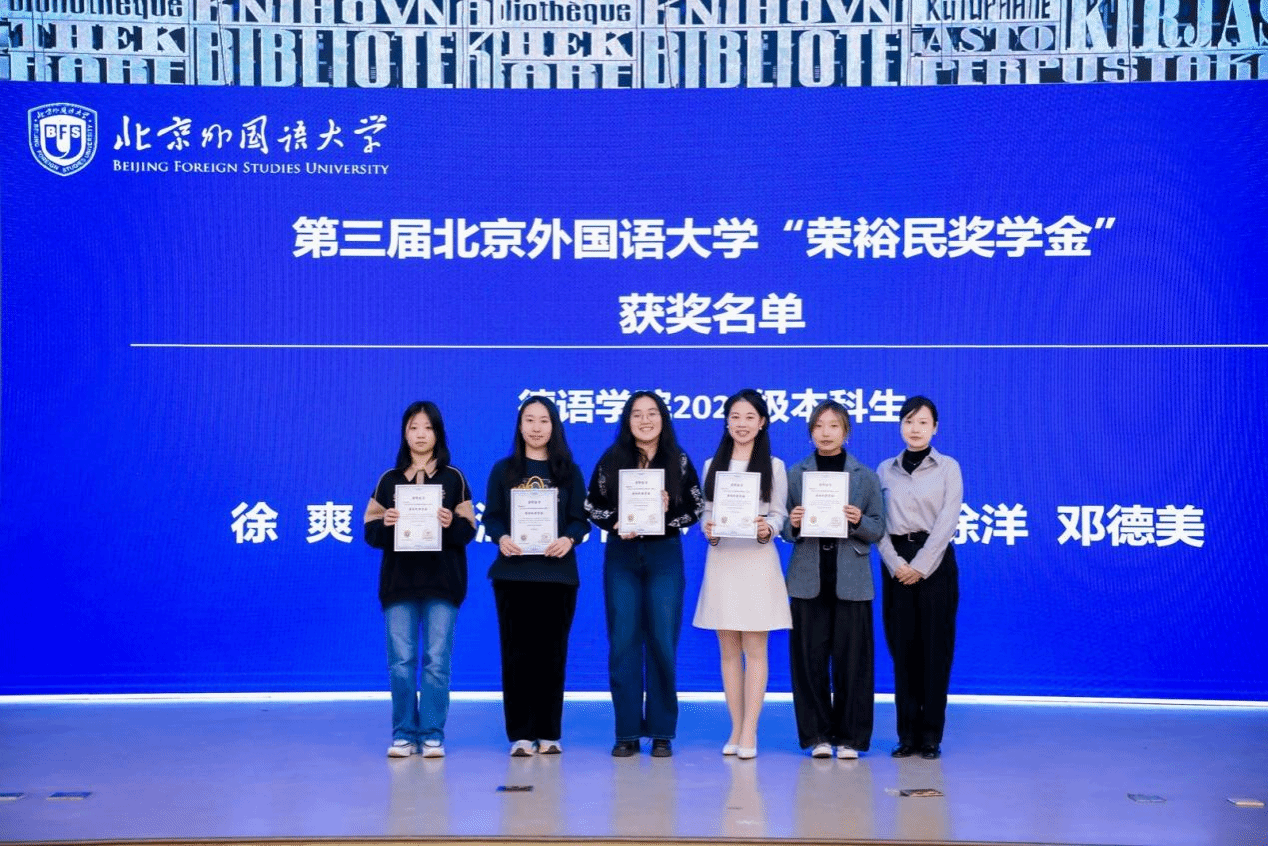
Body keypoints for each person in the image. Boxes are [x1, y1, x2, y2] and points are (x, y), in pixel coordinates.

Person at [585, 391, 704, 758]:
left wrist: (668, 512)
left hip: (664, 554)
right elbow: (592, 504)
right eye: (637, 414)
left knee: (662, 641)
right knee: (623, 641)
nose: (645, 420)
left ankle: (662, 731)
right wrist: (616, 520)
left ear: (663, 419)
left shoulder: (678, 460)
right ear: (627, 420)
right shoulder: (612, 458)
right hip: (622, 556)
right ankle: (626, 732)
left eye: (652, 413)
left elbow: (696, 507)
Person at [364, 401, 477, 759]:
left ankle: (431, 733)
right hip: (399, 583)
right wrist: (387, 524)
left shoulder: (454, 478)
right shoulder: (389, 480)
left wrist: (450, 523)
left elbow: (469, 530)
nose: (421, 434)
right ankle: (403, 733)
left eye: (428, 427)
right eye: (414, 427)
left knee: (436, 661)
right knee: (400, 662)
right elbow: (370, 532)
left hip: (442, 582)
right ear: (404, 433)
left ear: (438, 433)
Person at [483, 395, 589, 757]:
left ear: (554, 426)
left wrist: (568, 538)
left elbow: (580, 520)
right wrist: (502, 537)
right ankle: (520, 735)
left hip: (557, 576)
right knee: (516, 655)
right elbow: (492, 517)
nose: (536, 427)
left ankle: (549, 732)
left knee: (552, 655)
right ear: (520, 426)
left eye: (544, 420)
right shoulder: (503, 470)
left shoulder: (569, 471)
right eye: (529, 420)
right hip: (513, 575)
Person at [783, 400, 885, 759]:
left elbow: (878, 528)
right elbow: (783, 527)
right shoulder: (796, 474)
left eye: (833, 426)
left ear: (846, 432)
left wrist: (857, 521)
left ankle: (851, 738)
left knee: (853, 663)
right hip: (808, 578)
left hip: (851, 578)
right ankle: (817, 737)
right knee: (808, 662)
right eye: (819, 426)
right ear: (810, 431)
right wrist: (794, 523)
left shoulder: (865, 476)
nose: (825, 433)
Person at [692, 389, 792, 759]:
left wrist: (768, 527)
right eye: (735, 417)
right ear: (726, 422)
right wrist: (709, 528)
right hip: (723, 560)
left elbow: (779, 515)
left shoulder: (774, 466)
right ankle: (735, 727)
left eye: (750, 417)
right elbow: (707, 513)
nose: (742, 424)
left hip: (757, 561)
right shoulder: (711, 465)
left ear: (762, 422)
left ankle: (751, 730)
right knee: (729, 650)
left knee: (756, 648)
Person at [876, 396, 963, 760]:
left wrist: (921, 565)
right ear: (900, 426)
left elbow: (947, 521)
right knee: (903, 650)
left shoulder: (948, 468)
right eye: (909, 422)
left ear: (935, 428)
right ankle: (907, 735)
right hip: (895, 563)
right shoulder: (884, 470)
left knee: (935, 651)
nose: (915, 429)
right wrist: (896, 563)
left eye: (923, 422)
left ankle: (930, 736)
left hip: (936, 563)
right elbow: (877, 522)